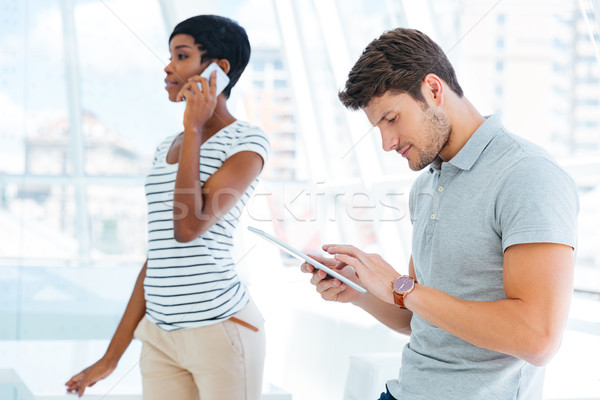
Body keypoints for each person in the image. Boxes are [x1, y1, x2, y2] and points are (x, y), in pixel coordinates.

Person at [301, 28, 578, 399]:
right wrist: (359, 288)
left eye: (392, 119)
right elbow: (418, 319)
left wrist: (404, 288)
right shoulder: (427, 186)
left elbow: (538, 338)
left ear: (433, 90)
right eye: (378, 129)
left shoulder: (527, 174)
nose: (387, 143)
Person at [65, 15, 270, 400]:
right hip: (160, 335)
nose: (168, 66)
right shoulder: (166, 147)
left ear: (218, 69)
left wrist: (194, 128)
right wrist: (111, 358)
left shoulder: (247, 142)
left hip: (219, 330)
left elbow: (188, 227)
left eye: (181, 55)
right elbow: (160, 255)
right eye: (170, 55)